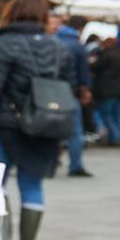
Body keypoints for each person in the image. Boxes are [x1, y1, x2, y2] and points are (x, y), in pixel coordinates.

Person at [0, 0, 72, 240]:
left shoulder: (3, 44)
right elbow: (68, 86)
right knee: (32, 185)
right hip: (46, 125)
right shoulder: (59, 47)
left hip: (5, 124)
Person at [49, 11, 93, 176]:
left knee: (50, 129)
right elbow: (83, 72)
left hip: (48, 92)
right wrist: (85, 90)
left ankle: (51, 163)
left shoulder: (52, 40)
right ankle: (75, 165)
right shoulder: (76, 45)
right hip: (69, 92)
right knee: (75, 132)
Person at [90, 27, 120, 145]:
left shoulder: (105, 55)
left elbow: (94, 67)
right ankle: (117, 136)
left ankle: (115, 136)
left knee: (107, 114)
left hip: (106, 89)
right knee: (118, 115)